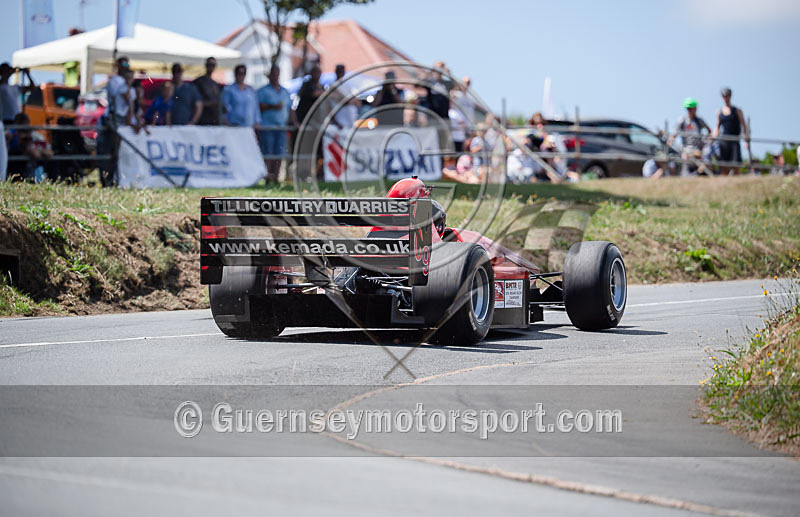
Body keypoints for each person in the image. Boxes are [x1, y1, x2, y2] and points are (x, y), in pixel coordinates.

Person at [257, 65, 295, 183]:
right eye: (273, 74)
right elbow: (258, 107)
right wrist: (272, 106)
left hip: (281, 127)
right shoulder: (263, 91)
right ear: (269, 75)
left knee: (279, 154)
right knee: (268, 153)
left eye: (277, 74)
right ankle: (268, 178)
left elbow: (290, 109)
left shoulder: (285, 92)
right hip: (267, 127)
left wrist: (295, 122)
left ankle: (276, 178)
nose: (275, 76)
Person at [668, 98, 712, 176]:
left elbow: (709, 131)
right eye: (688, 109)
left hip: (698, 150)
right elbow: (675, 133)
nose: (690, 110)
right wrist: (670, 140)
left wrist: (705, 142)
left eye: (691, 108)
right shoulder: (682, 121)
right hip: (686, 150)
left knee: (705, 161)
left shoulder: (699, 121)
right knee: (686, 165)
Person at [713, 87, 749, 176]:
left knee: (736, 165)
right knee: (724, 166)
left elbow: (744, 125)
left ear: (730, 96)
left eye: (727, 95)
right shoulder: (719, 111)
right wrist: (714, 137)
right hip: (724, 141)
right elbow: (717, 126)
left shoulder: (737, 110)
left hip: (735, 140)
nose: (726, 98)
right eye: (724, 96)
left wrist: (746, 140)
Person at [194, 57, 222, 125]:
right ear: (206, 65)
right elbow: (195, 102)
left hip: (215, 119)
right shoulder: (199, 81)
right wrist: (210, 103)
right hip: (203, 119)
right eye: (209, 64)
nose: (211, 67)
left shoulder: (215, 84)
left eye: (213, 65)